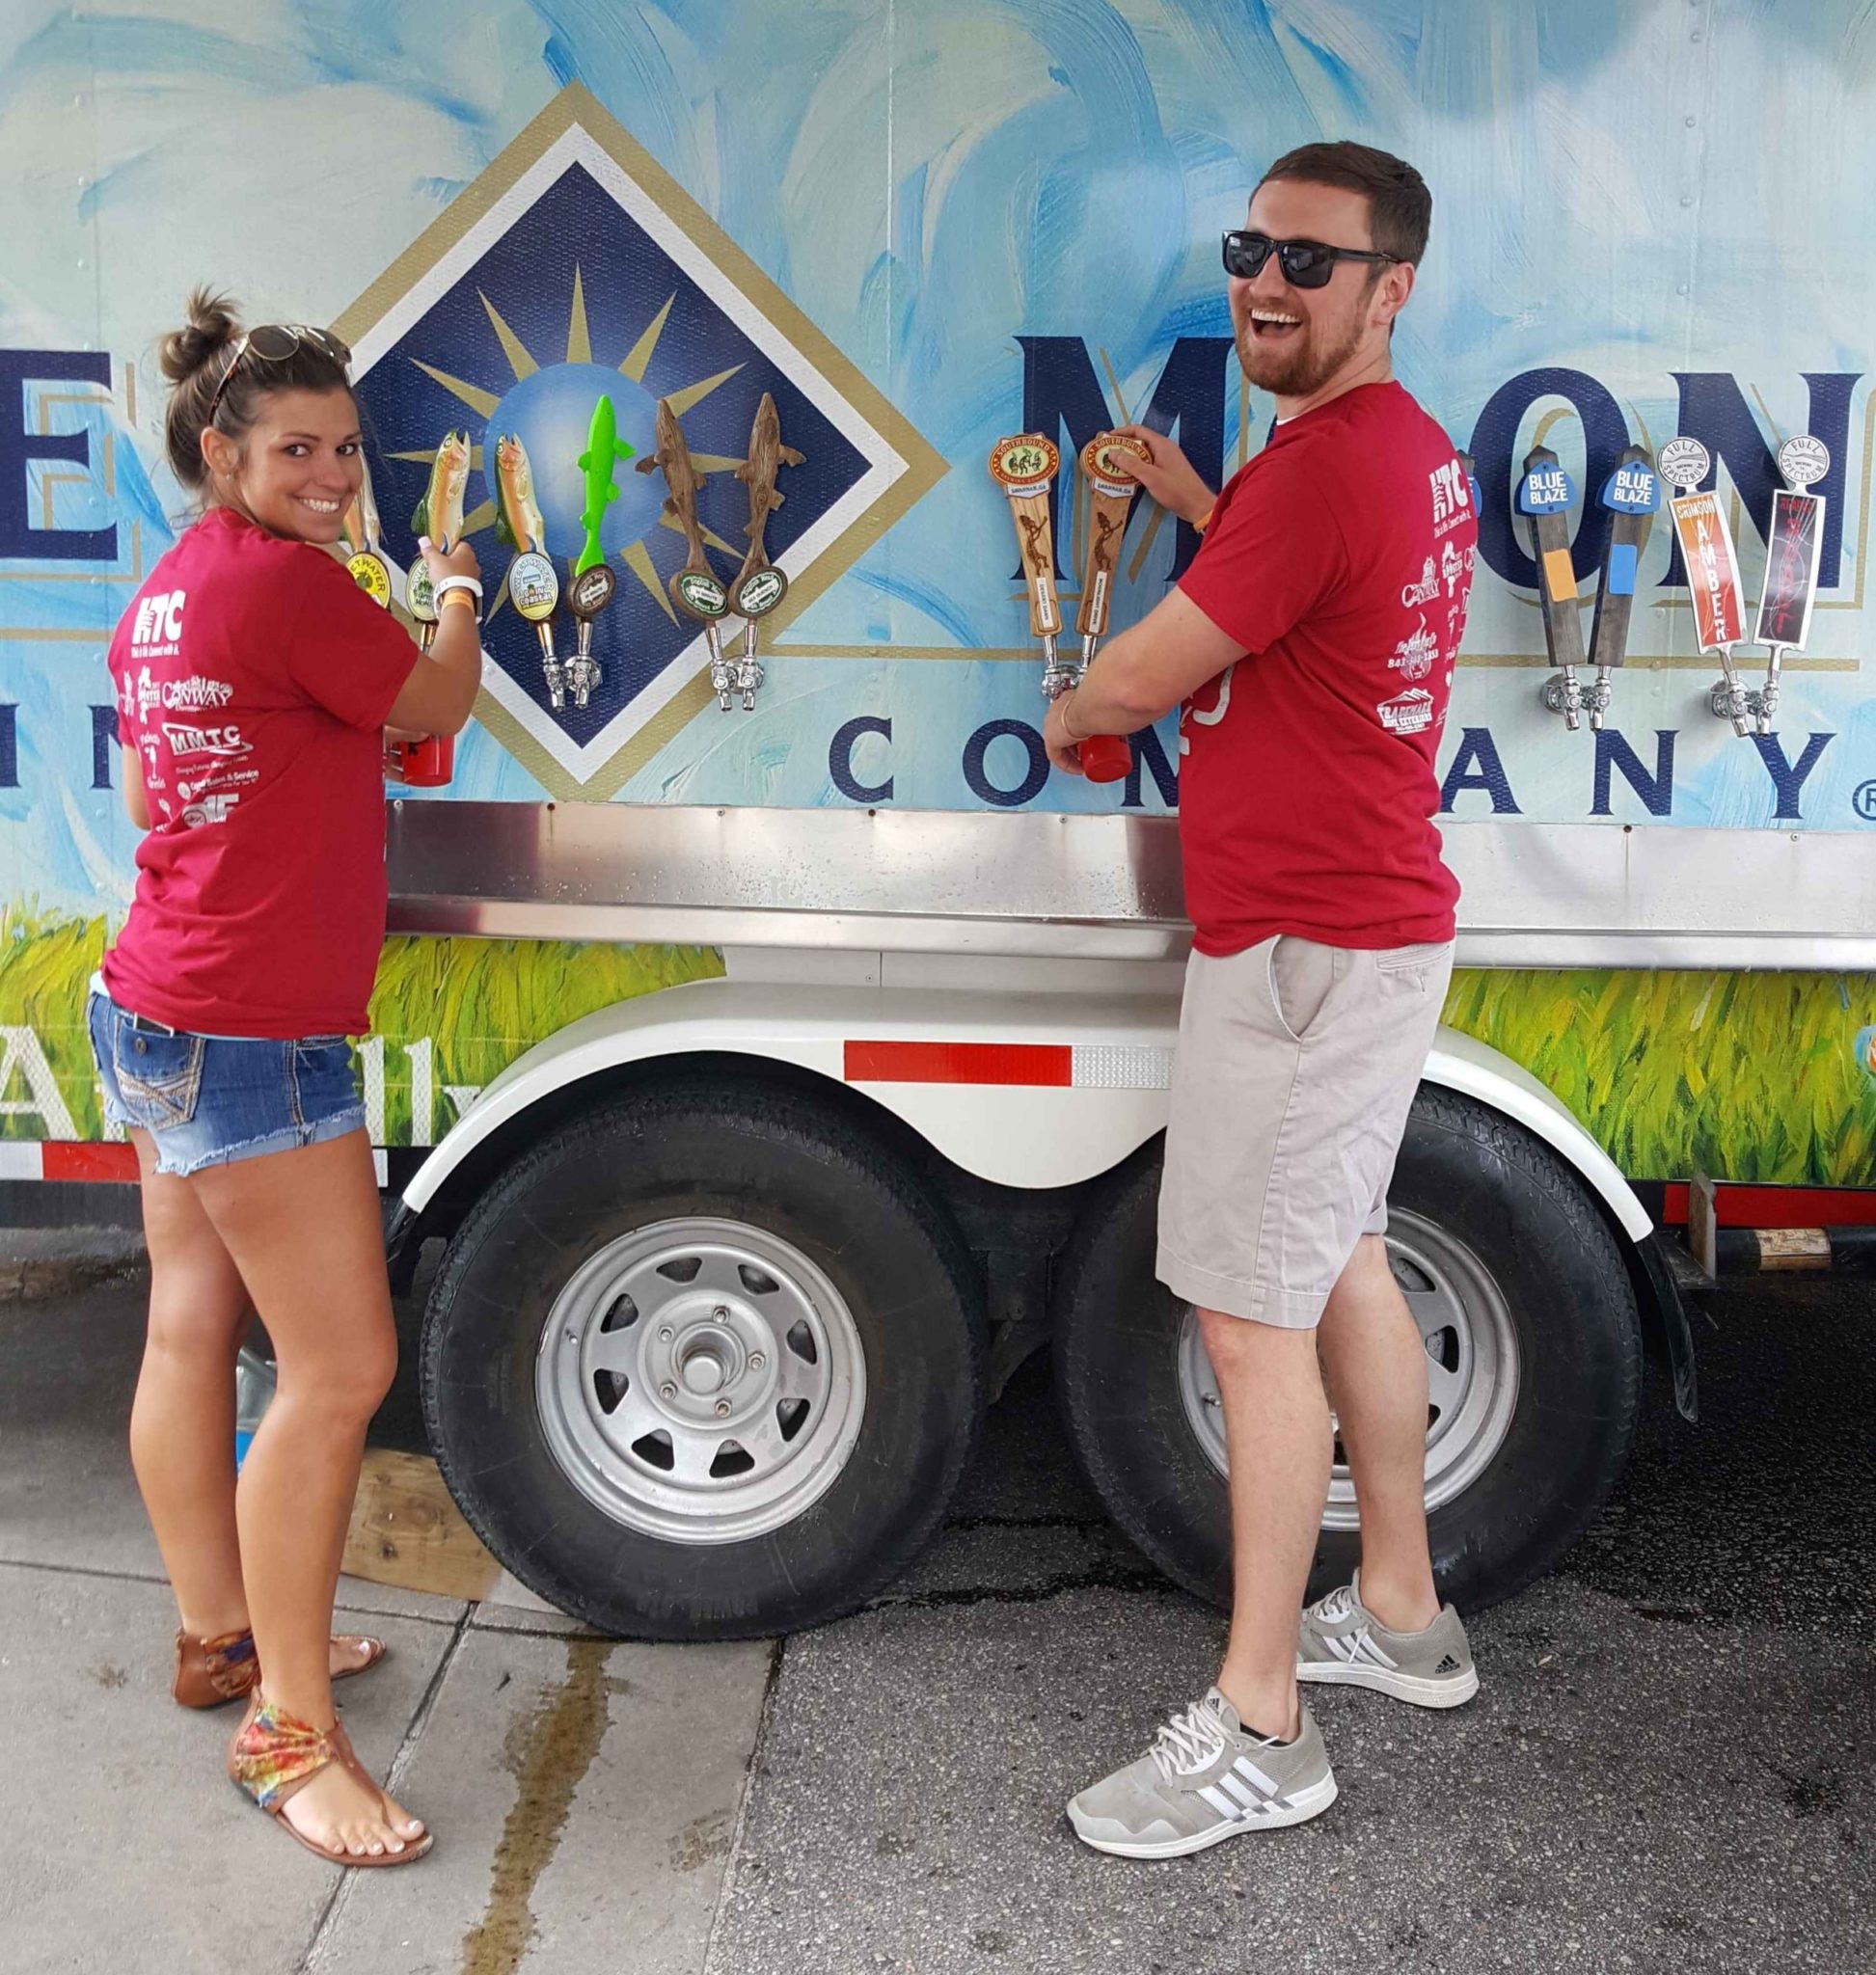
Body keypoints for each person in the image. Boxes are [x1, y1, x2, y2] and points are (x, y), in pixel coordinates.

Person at [1043, 143, 1481, 1857]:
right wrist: (1198, 496)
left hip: (1300, 950)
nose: (1268, 283)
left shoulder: (1317, 476)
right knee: (1338, 1254)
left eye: (1313, 258)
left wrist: (1083, 699)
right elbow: (1311, 597)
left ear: (1391, 285)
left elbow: (1145, 678)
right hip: (1358, 932)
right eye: (1250, 251)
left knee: (1247, 1315)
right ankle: (1397, 1610)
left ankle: (1259, 1727)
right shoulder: (1393, 458)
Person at [91, 289, 482, 1865]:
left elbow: (154, 784)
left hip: (160, 1005)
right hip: (252, 1035)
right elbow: (432, 705)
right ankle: (290, 1738)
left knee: (191, 1326)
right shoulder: (295, 588)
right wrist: (452, 589)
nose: (333, 474)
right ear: (219, 449)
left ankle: (219, 1638)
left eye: (345, 446)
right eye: (297, 448)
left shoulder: (172, 592)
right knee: (338, 1373)